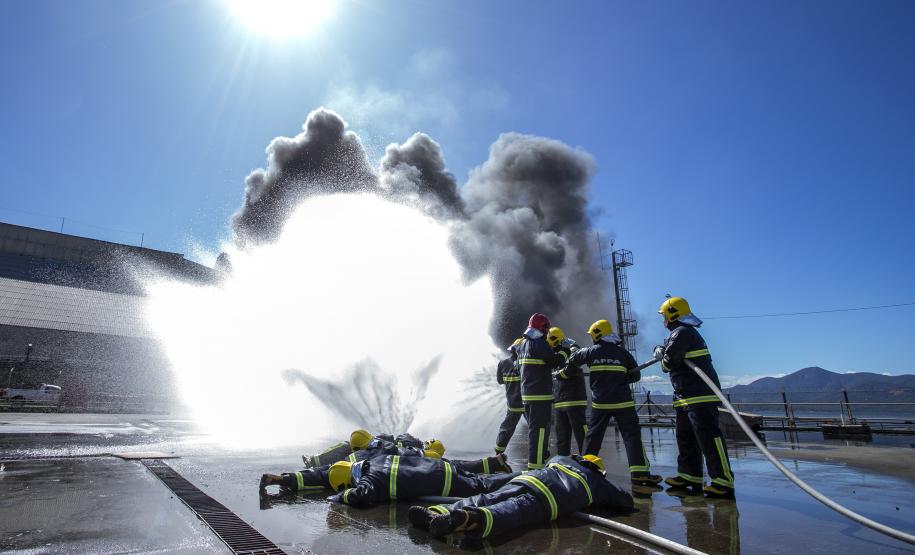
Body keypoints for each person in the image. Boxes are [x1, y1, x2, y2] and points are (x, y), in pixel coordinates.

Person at [408, 454, 634, 543]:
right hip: (547, 499)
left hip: (526, 481)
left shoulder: (561, 458)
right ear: (597, 469)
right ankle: (470, 519)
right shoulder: (596, 481)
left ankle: (437, 513)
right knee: (514, 510)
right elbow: (625, 501)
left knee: (487, 497)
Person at [654, 296, 735, 499]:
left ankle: (722, 479)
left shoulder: (682, 332)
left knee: (709, 438)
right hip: (685, 396)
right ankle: (689, 475)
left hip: (699, 395)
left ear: (673, 315)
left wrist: (661, 355)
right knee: (686, 438)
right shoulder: (680, 334)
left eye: (664, 315)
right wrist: (662, 350)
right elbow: (671, 355)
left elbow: (668, 363)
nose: (663, 319)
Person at [566, 319, 661, 487]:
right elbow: (635, 375)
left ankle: (585, 470)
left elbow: (573, 360)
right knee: (632, 437)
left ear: (597, 334)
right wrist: (621, 378)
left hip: (600, 404)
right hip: (623, 402)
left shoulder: (590, 352)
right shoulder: (623, 353)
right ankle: (639, 473)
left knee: (593, 437)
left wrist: (572, 354)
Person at [263, 438, 512, 493]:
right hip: (424, 462)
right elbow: (317, 475)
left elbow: (316, 475)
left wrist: (283, 479)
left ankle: (495, 467)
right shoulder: (382, 447)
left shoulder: (356, 460)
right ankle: (492, 464)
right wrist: (281, 479)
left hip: (423, 465)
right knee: (457, 467)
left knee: (467, 477)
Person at [326, 453, 519, 508]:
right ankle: (517, 475)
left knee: (483, 486)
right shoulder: (375, 460)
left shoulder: (369, 480)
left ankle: (529, 477)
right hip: (441, 465)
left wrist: (342, 496)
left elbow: (363, 496)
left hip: (442, 482)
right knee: (481, 481)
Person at [517, 313, 567, 470]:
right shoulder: (538, 343)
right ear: (543, 328)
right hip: (539, 396)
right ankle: (535, 468)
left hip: (528, 395)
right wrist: (566, 352)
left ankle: (539, 460)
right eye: (546, 328)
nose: (547, 332)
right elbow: (555, 361)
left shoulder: (523, 344)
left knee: (536, 431)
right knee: (539, 433)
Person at [547, 327, 587, 456]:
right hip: (560, 400)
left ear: (555, 339)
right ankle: (562, 462)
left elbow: (573, 367)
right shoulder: (555, 352)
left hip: (574, 398)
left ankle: (589, 461)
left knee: (581, 434)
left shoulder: (572, 348)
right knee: (561, 436)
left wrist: (559, 375)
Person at [302, 429, 431, 467]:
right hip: (377, 452)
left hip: (378, 457)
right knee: (349, 450)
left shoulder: (415, 448)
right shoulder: (414, 445)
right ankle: (319, 463)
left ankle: (318, 463)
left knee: (348, 452)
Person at [494, 338, 524, 454]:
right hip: (527, 402)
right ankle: (541, 455)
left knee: (506, 428)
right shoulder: (524, 364)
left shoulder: (502, 364)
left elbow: (500, 381)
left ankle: (498, 453)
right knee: (536, 429)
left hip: (512, 404)